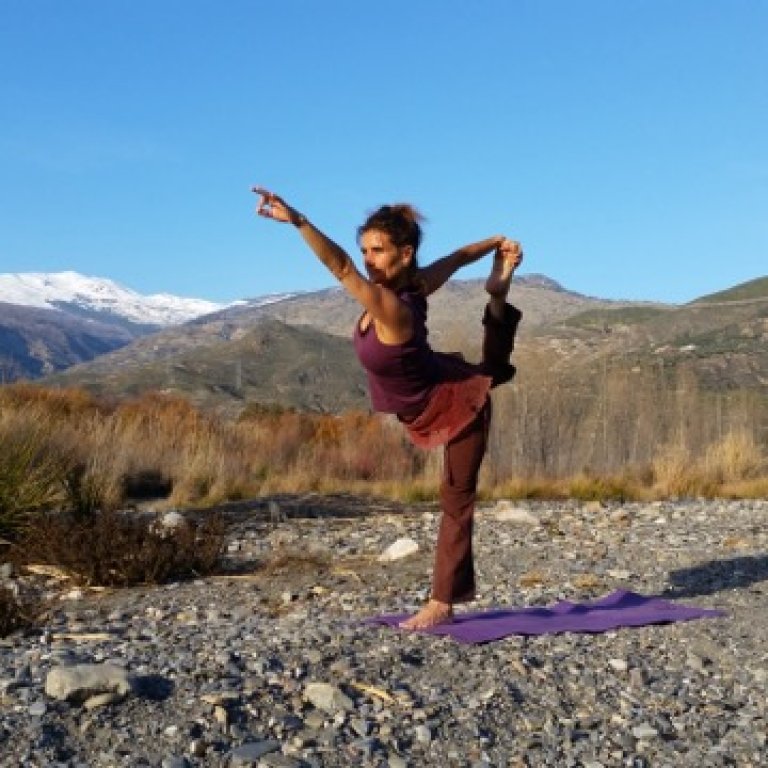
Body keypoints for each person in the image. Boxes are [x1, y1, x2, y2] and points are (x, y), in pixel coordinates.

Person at [253, 187, 523, 629]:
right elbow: (455, 259)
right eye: (364, 250)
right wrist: (493, 242)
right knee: (487, 368)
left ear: (405, 253)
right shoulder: (414, 285)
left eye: (377, 251)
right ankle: (497, 297)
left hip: (454, 406)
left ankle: (442, 602)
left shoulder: (392, 307)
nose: (367, 259)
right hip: (434, 384)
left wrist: (300, 221)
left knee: (456, 499)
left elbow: (337, 266)